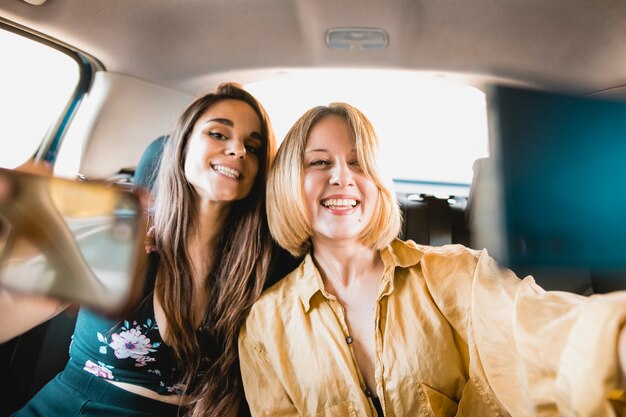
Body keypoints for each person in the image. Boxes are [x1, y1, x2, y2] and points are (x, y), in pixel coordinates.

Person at [238, 102, 626, 416]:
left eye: (358, 162)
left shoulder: (457, 274)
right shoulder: (264, 324)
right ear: (289, 182)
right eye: (319, 162)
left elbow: (540, 330)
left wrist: (615, 343)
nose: (343, 176)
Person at [2, 82, 277, 417]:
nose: (238, 150)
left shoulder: (255, 272)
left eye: (254, 145)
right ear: (182, 146)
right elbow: (11, 309)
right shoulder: (115, 231)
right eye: (219, 134)